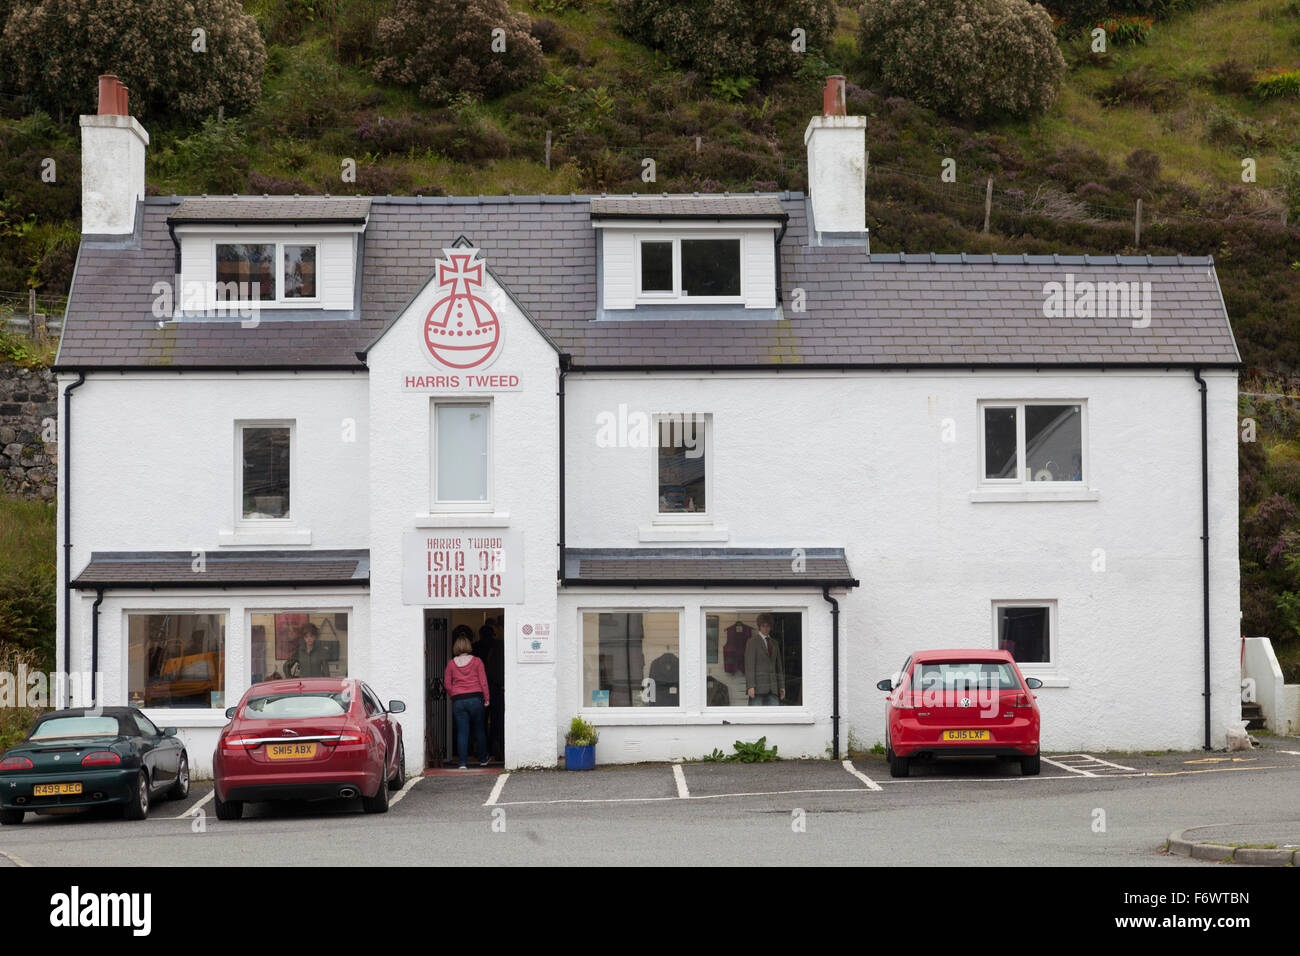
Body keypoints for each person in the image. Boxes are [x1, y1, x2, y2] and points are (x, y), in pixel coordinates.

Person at [444, 633, 491, 769]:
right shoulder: (477, 661)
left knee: (462, 731)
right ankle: (483, 758)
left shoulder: (451, 664)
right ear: (469, 646)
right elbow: (483, 681)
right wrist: (487, 698)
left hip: (459, 700)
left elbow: (447, 684)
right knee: (479, 730)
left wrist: (454, 694)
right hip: (476, 698)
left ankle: (462, 763)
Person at [744, 612, 785, 706]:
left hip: (773, 688)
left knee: (774, 717)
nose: (766, 628)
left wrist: (782, 686)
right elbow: (749, 666)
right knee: (754, 717)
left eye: (768, 626)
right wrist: (750, 686)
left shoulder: (775, 643)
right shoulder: (752, 642)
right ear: (759, 626)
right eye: (763, 626)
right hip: (757, 689)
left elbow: (779, 667)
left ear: (771, 627)